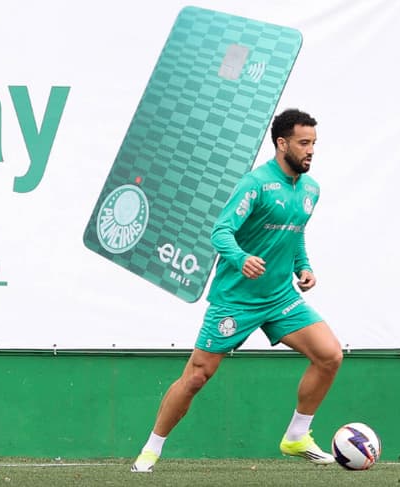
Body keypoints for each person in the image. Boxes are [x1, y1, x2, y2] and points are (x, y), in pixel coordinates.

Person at [131, 109, 342, 473]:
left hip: (280, 298)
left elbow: (295, 232)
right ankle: (150, 450)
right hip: (236, 299)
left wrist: (302, 266)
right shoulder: (256, 184)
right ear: (281, 143)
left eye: (314, 144)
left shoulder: (310, 189)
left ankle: (296, 436)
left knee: (330, 355)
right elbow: (220, 232)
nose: (311, 151)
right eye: (304, 143)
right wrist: (241, 257)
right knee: (197, 375)